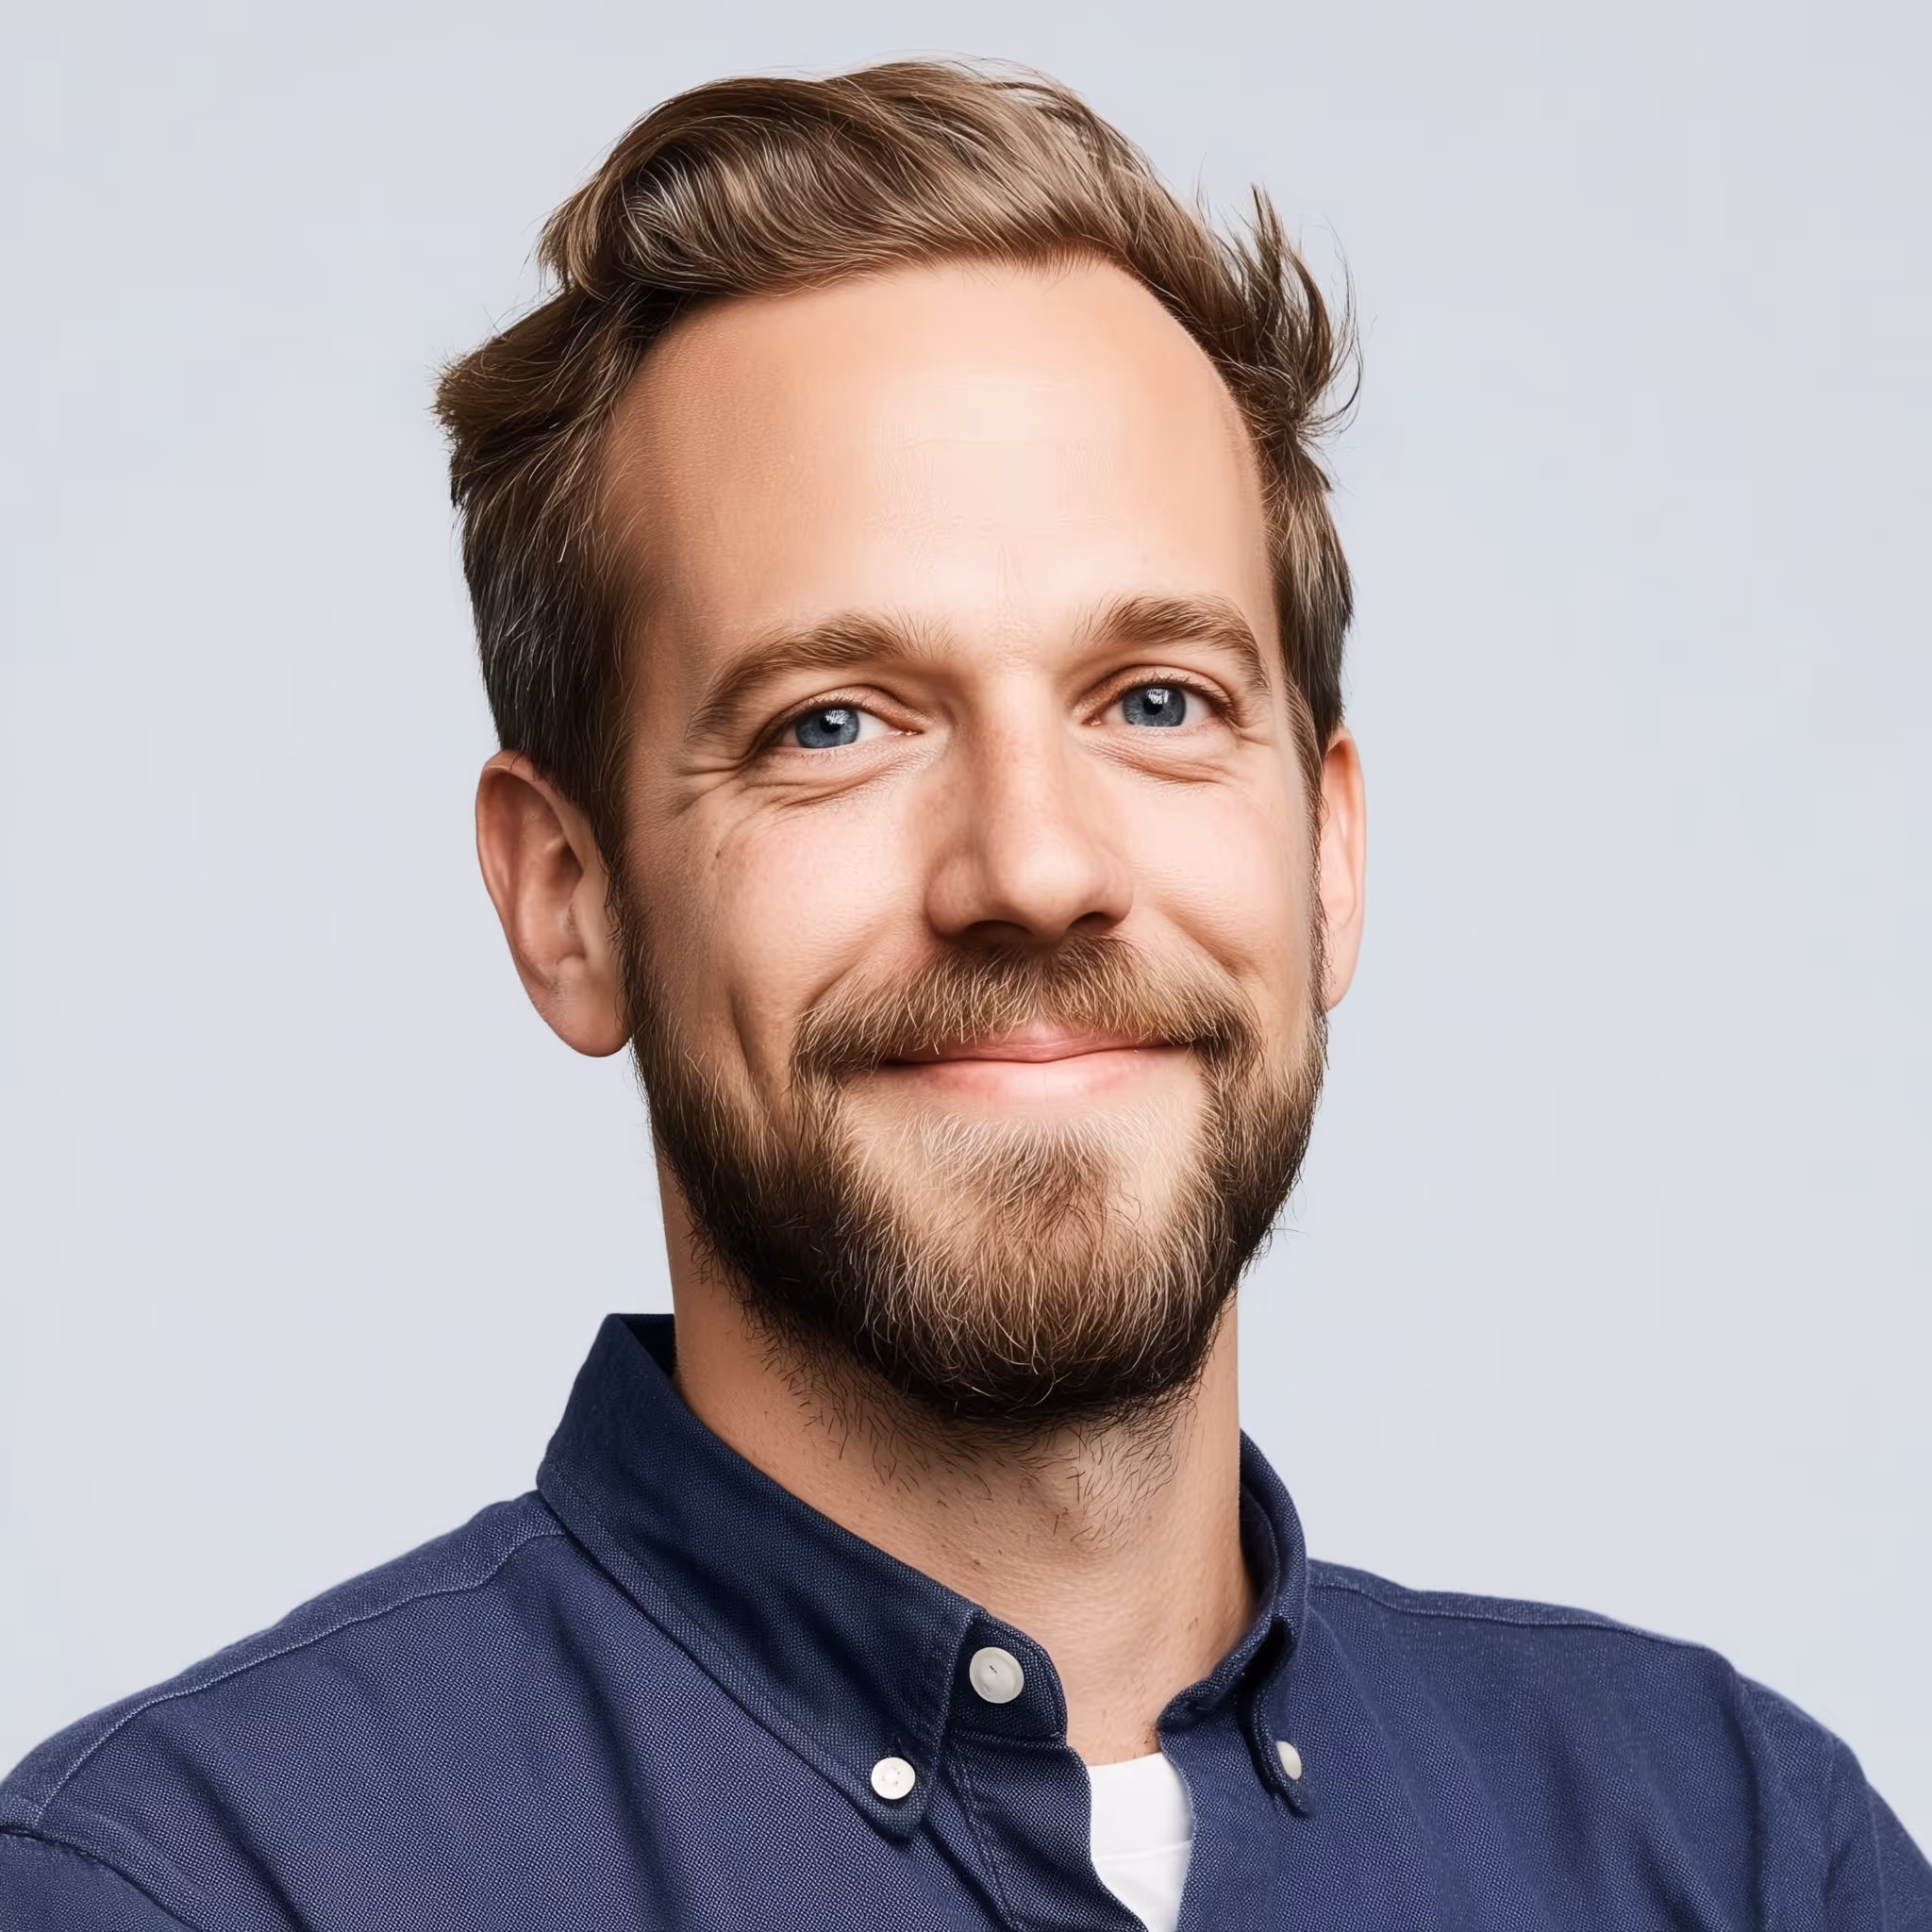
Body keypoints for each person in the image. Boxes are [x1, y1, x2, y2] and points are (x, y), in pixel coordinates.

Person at [2, 58, 1925, 1932]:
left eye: (1156, 700)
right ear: (568, 900)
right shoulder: (203, 1888)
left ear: (1328, 854)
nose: (1033, 866)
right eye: (833, 723)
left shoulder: (1741, 1855)